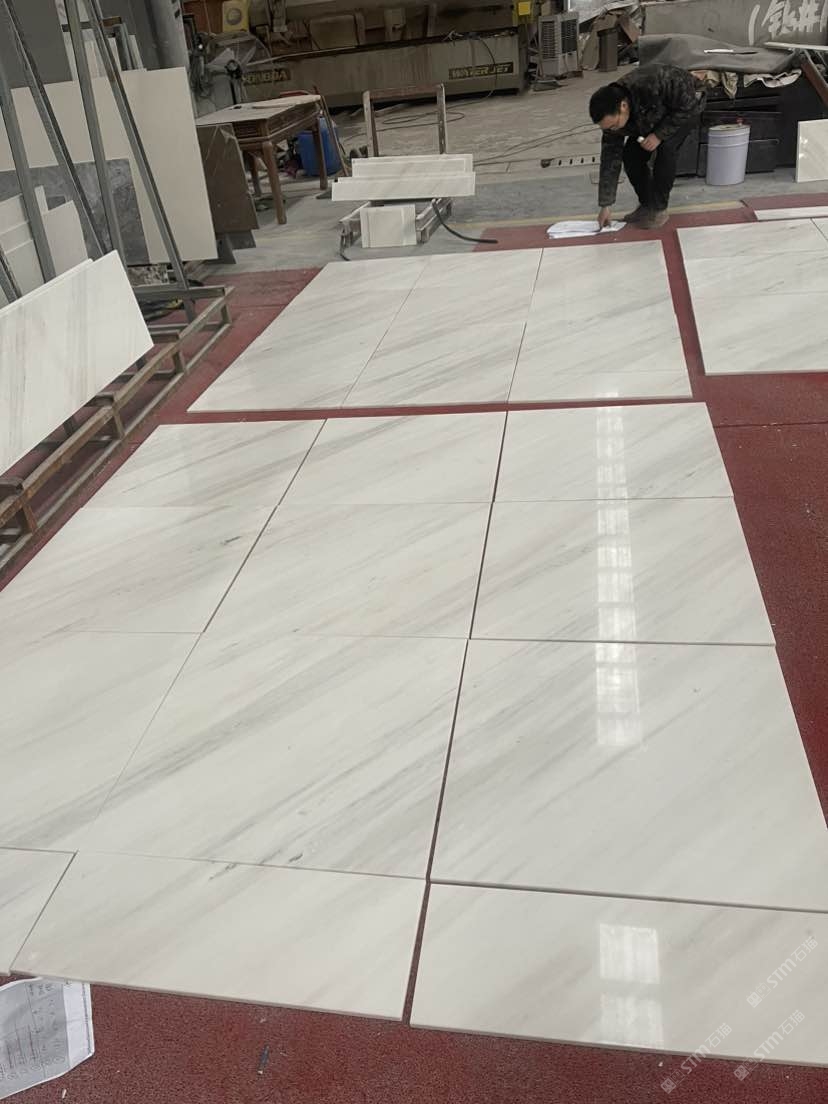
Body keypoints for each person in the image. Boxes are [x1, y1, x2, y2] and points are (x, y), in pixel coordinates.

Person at [589, 64, 702, 230]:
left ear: (623, 106)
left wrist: (658, 135)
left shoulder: (649, 83)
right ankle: (648, 205)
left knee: (666, 149)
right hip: (651, 119)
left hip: (686, 108)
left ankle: (659, 209)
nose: (613, 130)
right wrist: (605, 205)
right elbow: (610, 160)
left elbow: (688, 105)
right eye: (609, 128)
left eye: (614, 125)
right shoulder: (612, 123)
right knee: (631, 155)